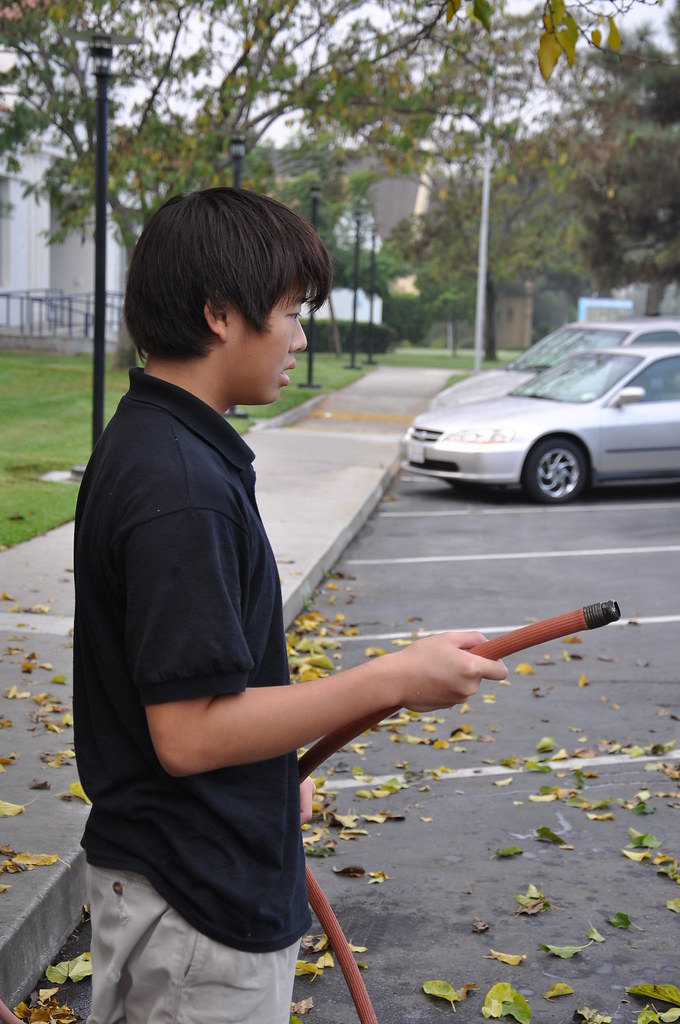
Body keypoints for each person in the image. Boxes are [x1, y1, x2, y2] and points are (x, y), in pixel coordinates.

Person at [73, 186, 507, 1024]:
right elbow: (189, 732)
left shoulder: (158, 444)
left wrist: (269, 776)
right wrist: (392, 678)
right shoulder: (180, 486)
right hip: (196, 905)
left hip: (178, 876)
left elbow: (187, 695)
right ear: (220, 313)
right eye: (290, 311)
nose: (301, 336)